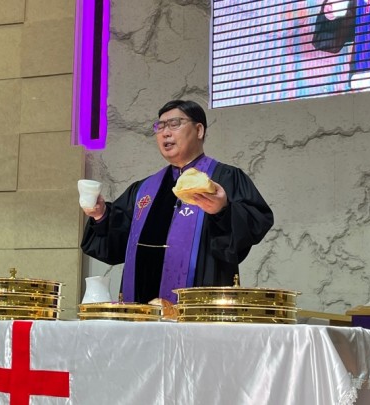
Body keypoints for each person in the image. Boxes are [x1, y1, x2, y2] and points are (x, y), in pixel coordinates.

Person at [80, 100, 274, 304]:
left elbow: (254, 223)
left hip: (197, 307)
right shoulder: (144, 189)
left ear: (199, 130)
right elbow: (116, 243)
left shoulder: (225, 178)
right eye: (160, 126)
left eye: (174, 124)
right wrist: (101, 215)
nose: (165, 133)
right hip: (142, 308)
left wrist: (222, 210)